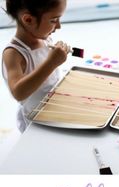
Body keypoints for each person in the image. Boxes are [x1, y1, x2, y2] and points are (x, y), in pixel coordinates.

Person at [2, 0, 71, 132]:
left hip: (53, 109)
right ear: (28, 20)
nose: (59, 26)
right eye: (53, 20)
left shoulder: (45, 39)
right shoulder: (14, 53)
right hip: (35, 121)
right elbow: (18, 92)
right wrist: (51, 63)